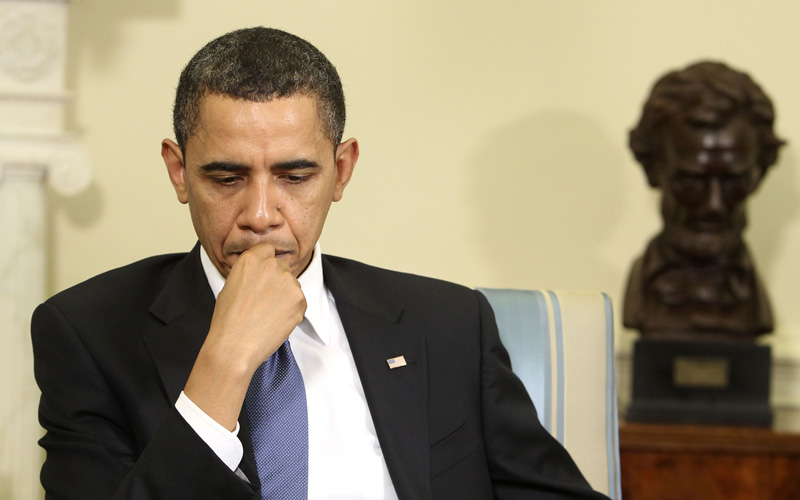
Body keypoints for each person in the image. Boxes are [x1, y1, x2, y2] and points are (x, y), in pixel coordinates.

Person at [32, 27, 607, 499]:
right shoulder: (87, 334)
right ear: (179, 172)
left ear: (342, 170)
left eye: (295, 177)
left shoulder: (449, 322)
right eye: (227, 177)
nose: (261, 214)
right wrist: (224, 366)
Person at [624, 61, 785, 340]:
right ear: (653, 169)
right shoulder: (642, 294)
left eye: (734, 182)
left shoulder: (751, 296)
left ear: (759, 173)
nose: (714, 205)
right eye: (691, 182)